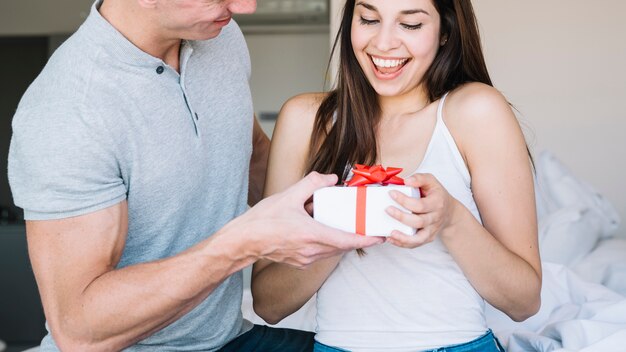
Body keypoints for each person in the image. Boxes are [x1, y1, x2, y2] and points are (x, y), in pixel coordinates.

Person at [7, 0, 384, 351]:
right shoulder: (68, 110)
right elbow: (78, 329)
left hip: (229, 338)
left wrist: (350, 203)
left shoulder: (219, 37)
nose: (246, 7)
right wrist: (240, 245)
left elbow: (247, 150)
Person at [251, 0, 542, 351]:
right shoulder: (304, 120)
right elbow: (268, 304)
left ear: (445, 31)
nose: (384, 42)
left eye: (411, 24)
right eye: (369, 19)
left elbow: (524, 302)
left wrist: (450, 219)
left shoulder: (476, 111)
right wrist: (342, 227)